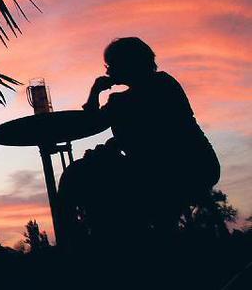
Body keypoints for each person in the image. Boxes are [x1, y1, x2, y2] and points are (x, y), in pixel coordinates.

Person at [60, 37, 220, 247]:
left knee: (82, 175)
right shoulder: (162, 84)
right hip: (191, 165)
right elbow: (144, 133)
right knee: (88, 172)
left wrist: (95, 93)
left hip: (176, 170)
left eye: (111, 65)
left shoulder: (137, 95)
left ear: (128, 63)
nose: (108, 71)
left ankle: (88, 244)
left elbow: (92, 125)